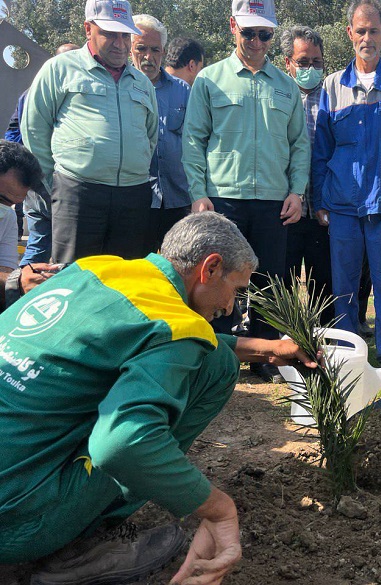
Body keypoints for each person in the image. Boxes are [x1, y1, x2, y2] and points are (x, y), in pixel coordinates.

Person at [0, 211, 316, 584]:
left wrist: (267, 349)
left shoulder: (96, 270)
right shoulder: (176, 324)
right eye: (236, 289)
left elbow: (149, 333)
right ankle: (84, 545)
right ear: (211, 268)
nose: (232, 306)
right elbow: (124, 443)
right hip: (15, 526)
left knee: (211, 355)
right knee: (215, 368)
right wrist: (218, 510)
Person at [183, 0, 310, 383]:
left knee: (271, 282)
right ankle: (216, 355)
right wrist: (198, 192)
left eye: (264, 34)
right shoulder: (209, 80)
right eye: (249, 32)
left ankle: (266, 356)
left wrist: (297, 192)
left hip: (274, 201)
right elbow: (193, 140)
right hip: (223, 200)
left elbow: (299, 144)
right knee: (219, 280)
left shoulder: (286, 86)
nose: (256, 41)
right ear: (232, 27)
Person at [312, 0, 381, 381]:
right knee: (343, 287)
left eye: (374, 30)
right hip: (341, 203)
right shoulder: (331, 86)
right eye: (361, 30)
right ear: (349, 34)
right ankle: (346, 357)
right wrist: (319, 198)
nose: (367, 38)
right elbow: (321, 149)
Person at [21, 0, 158, 264]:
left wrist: (134, 165)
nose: (120, 43)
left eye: (125, 35)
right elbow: (34, 129)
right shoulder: (59, 69)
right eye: (109, 34)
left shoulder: (142, 82)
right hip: (77, 193)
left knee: (124, 278)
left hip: (133, 195)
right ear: (88, 29)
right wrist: (54, 185)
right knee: (75, 276)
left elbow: (150, 136)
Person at [4, 44, 80, 293]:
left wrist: (22, 168)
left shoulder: (30, 92)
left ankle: (19, 295)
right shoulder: (67, 94)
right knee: (66, 251)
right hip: (56, 181)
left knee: (38, 244)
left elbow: (13, 132)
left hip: (32, 180)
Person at [281, 25, 334, 325]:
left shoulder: (332, 96)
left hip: (321, 208)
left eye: (316, 62)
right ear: (288, 62)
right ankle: (283, 339)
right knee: (282, 279)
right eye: (303, 62)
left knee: (323, 282)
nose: (310, 68)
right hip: (286, 207)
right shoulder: (278, 96)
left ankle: (323, 340)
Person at [131, 14, 192, 252]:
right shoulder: (122, 88)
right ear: (130, 49)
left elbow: (195, 142)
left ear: (164, 51)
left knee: (179, 265)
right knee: (137, 266)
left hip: (178, 198)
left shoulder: (183, 90)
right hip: (137, 198)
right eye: (141, 48)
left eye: (155, 49)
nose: (148, 56)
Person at [0, 141, 48, 309]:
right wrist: (15, 280)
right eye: (1, 198)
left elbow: (6, 269)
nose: (4, 207)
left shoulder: (7, 216)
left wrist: (23, 279)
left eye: (11, 203)